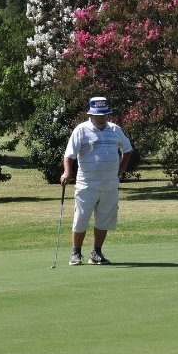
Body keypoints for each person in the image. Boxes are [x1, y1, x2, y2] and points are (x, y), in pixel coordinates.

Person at [61, 97, 133, 266]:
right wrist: (67, 172)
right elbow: (69, 155)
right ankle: (76, 253)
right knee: (81, 218)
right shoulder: (81, 130)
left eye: (105, 115)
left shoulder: (115, 130)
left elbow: (127, 149)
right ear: (91, 115)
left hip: (109, 184)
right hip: (87, 184)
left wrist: (122, 168)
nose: (102, 118)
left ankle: (96, 253)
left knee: (104, 219)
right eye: (98, 115)